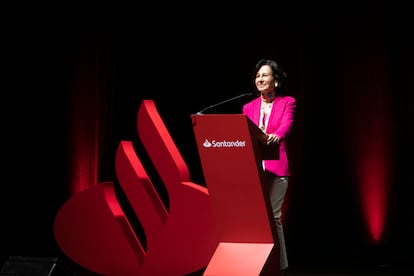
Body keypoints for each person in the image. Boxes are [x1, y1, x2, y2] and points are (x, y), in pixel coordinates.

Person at [242, 58, 296, 272]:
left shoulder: (287, 102)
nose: (260, 79)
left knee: (273, 217)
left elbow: (287, 124)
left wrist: (277, 135)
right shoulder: (248, 107)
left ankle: (281, 266)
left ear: (276, 80)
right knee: (254, 218)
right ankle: (257, 264)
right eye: (257, 76)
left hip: (277, 168)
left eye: (265, 75)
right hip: (254, 168)